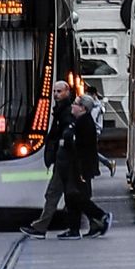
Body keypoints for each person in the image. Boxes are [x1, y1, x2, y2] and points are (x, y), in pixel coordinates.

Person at [20, 79, 79, 240]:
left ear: (67, 92)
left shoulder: (66, 111)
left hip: (64, 160)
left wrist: (60, 147)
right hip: (62, 160)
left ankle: (40, 227)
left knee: (54, 194)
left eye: (59, 91)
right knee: (70, 195)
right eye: (54, 91)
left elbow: (67, 133)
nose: (55, 95)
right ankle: (97, 220)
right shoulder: (60, 110)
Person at [58, 93, 110, 239]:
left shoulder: (83, 123)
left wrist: (67, 140)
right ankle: (75, 229)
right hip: (78, 166)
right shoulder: (80, 121)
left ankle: (100, 215)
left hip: (80, 167)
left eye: (75, 103)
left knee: (77, 196)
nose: (72, 106)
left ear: (83, 108)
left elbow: (76, 144)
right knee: (73, 196)